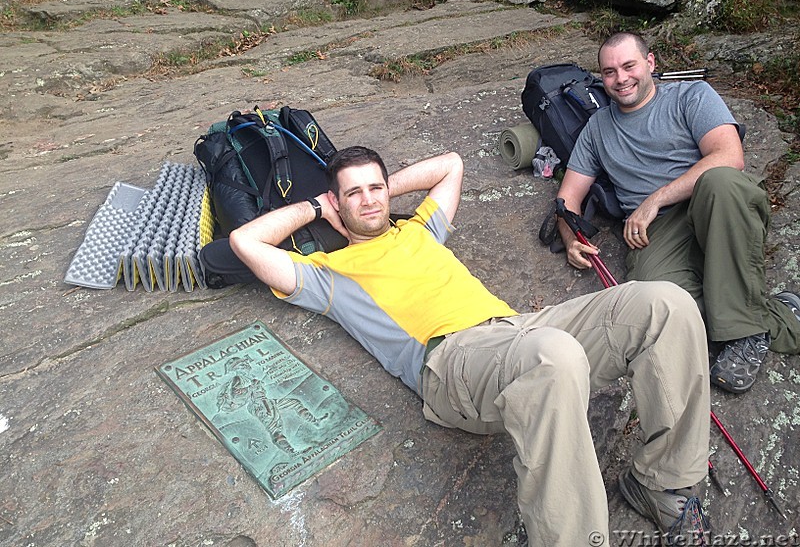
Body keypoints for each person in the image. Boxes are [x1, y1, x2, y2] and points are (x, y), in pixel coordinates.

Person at [229, 146, 711, 545]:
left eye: (375, 187)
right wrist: (318, 207)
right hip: (452, 364)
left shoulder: (421, 230)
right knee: (555, 357)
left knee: (664, 304)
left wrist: (379, 189)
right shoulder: (330, 276)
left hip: (518, 329)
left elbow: (452, 164)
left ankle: (662, 485)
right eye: (353, 194)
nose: (370, 200)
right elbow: (246, 242)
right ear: (336, 203)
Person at [557, 31, 800, 395]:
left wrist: (653, 200)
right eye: (609, 72)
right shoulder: (598, 128)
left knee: (721, 182)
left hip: (713, 207)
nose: (621, 79)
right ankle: (777, 314)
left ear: (650, 63)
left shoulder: (691, 96)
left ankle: (746, 331)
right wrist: (570, 238)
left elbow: (729, 157)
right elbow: (567, 198)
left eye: (629, 66)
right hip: (657, 234)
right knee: (662, 317)